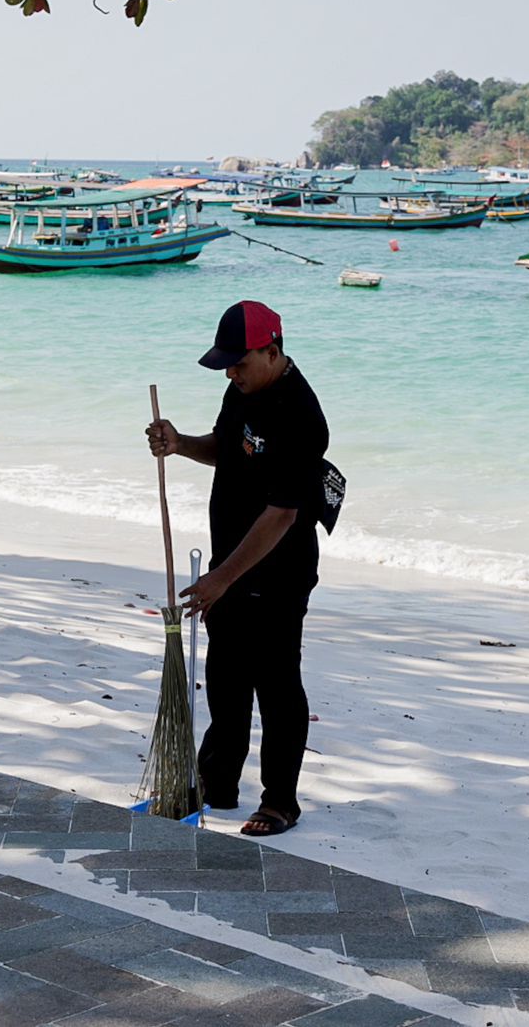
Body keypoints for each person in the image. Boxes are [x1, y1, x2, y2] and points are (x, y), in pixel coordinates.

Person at [145, 301, 329, 837]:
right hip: (227, 564)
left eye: (239, 362)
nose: (230, 372)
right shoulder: (242, 389)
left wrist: (220, 579)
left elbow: (282, 515)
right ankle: (217, 783)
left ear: (272, 352)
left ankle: (280, 802)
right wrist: (181, 446)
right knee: (225, 679)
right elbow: (227, 448)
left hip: (278, 573)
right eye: (226, 364)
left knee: (276, 685)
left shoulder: (300, 414)